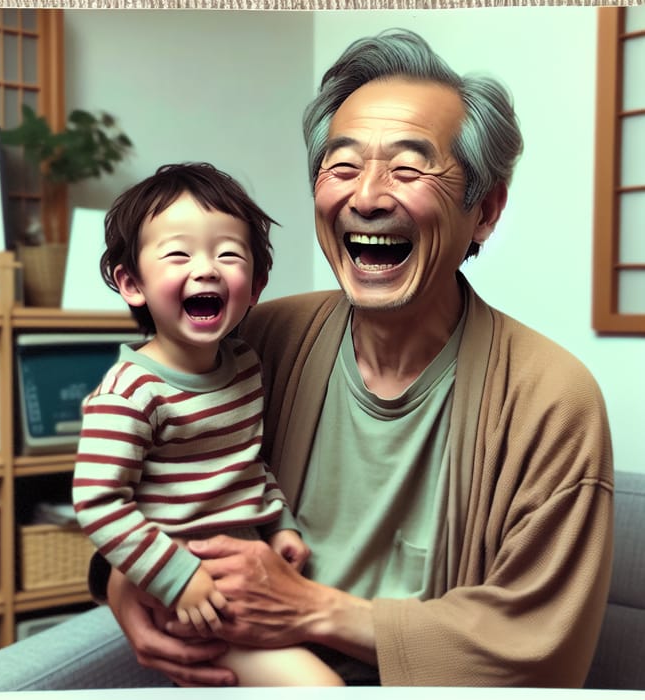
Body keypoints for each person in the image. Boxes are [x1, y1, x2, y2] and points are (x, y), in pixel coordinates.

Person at [88, 29, 614, 687]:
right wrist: (118, 584)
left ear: (484, 210)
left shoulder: (551, 398)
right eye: (341, 167)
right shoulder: (261, 343)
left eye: (407, 167)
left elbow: (541, 647)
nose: (366, 195)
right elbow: (149, 483)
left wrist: (315, 611)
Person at [72, 162, 343, 686]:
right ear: (132, 284)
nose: (207, 268)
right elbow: (98, 502)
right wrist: (179, 579)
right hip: (187, 592)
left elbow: (245, 465)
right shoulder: (131, 392)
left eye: (228, 253)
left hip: (242, 575)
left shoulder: (243, 366)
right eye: (178, 253)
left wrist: (277, 523)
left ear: (256, 285)